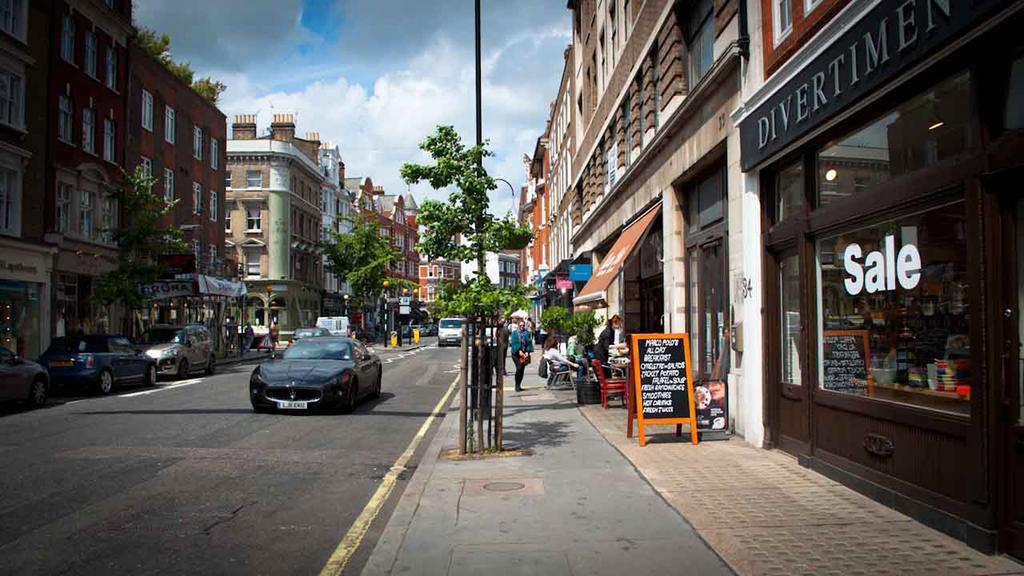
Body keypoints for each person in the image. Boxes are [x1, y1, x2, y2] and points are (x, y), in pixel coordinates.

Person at [509, 320, 534, 392]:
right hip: (516, 354)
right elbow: (513, 343)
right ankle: (516, 386)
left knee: (522, 370)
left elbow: (529, 343)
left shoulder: (527, 333)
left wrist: (527, 351)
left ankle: (519, 385)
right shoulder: (514, 333)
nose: (522, 327)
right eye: (520, 325)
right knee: (519, 368)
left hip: (524, 354)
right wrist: (519, 351)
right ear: (518, 326)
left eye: (523, 325)